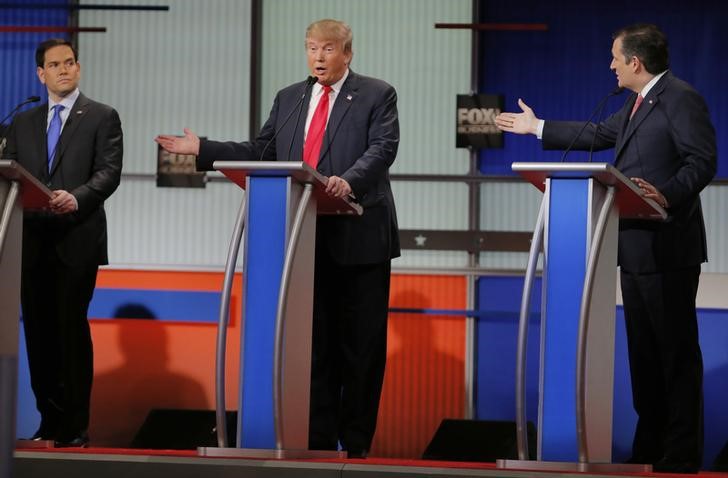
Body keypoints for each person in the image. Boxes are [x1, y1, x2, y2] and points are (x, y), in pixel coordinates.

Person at [156, 18, 399, 458]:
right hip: (302, 241)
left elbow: (382, 149)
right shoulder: (291, 97)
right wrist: (205, 149)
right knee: (314, 347)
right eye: (311, 48)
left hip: (360, 237)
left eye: (327, 49)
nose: (318, 58)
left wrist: (348, 180)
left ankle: (357, 445)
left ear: (347, 53)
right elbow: (262, 151)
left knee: (361, 349)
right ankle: (321, 443)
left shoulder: (376, 93)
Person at [494, 23, 716, 473]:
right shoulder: (635, 104)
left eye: (616, 58)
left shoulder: (680, 98)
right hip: (631, 246)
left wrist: (665, 195)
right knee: (644, 356)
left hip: (669, 247)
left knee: (674, 354)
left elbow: (703, 161)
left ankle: (682, 453)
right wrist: (536, 127)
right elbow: (598, 133)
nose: (610, 65)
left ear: (636, 62)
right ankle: (651, 449)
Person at [2, 38, 123, 447]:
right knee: (37, 334)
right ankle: (48, 423)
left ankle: (75, 428)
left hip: (77, 240)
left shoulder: (102, 116)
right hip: (31, 242)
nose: (64, 70)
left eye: (70, 62)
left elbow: (109, 173)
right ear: (41, 74)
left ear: (78, 67)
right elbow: (11, 173)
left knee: (70, 331)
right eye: (55, 65)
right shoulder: (22, 122)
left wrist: (78, 196)